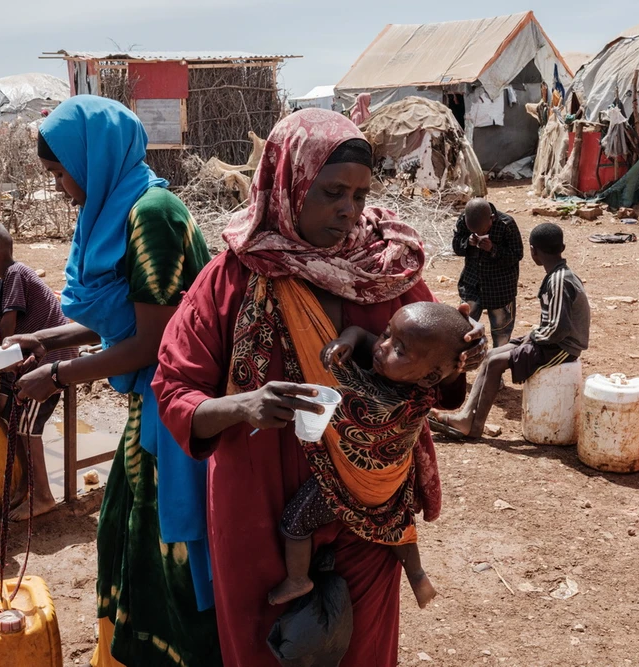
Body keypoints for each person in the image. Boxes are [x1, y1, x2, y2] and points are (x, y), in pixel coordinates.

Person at [153, 108, 486, 667]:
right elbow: (174, 388)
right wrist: (244, 404)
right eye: (331, 192)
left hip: (370, 504)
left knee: (365, 651)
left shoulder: (384, 267)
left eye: (359, 194)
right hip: (260, 509)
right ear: (288, 183)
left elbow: (435, 374)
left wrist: (463, 357)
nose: (349, 211)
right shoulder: (233, 277)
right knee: (268, 650)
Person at [3, 96, 220, 667]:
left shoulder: (151, 215)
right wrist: (44, 340)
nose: (57, 187)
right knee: (125, 535)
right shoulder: (115, 210)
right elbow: (127, 316)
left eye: (59, 172)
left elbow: (154, 342)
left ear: (92, 158)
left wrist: (58, 374)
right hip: (146, 401)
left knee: (165, 543)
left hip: (174, 408)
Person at [271, 302, 474, 610]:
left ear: (430, 378)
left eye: (400, 351)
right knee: (396, 521)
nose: (382, 347)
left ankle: (298, 579)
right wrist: (348, 340)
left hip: (346, 482)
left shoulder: (389, 395)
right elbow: (363, 336)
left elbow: (335, 387)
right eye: (386, 334)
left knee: (295, 522)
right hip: (392, 483)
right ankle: (417, 576)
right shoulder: (420, 385)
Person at [432, 222, 590, 439]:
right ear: (562, 247)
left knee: (497, 363)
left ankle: (474, 426)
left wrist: (529, 340)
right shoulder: (558, 275)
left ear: (533, 252)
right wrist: (528, 338)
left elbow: (557, 330)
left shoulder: (559, 281)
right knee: (491, 355)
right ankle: (466, 417)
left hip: (564, 347)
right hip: (551, 341)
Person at [0, 221, 74, 521]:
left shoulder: (15, 274)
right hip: (33, 360)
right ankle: (27, 485)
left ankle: (43, 495)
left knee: (26, 425)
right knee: (9, 415)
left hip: (51, 360)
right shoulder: (1, 284)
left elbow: (7, 328)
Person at [452, 198, 524, 349]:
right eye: (475, 231)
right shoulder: (464, 221)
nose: (479, 233)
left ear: (492, 218)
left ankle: (496, 368)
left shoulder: (506, 224)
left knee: (501, 333)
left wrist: (493, 249)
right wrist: (467, 242)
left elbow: (517, 255)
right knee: (464, 329)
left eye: (483, 231)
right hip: (472, 284)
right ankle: (463, 366)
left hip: (500, 289)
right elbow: (457, 247)